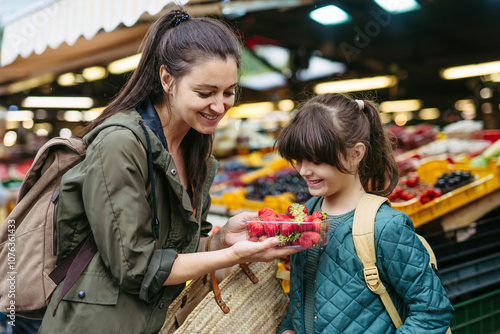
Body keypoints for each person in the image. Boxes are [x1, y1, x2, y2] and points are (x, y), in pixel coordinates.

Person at [39, 7, 298, 333]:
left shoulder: (196, 149)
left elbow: (178, 253)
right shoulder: (120, 144)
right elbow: (138, 267)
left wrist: (221, 242)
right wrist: (233, 256)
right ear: (167, 80)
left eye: (229, 92)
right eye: (205, 93)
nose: (219, 107)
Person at [274, 93, 454, 334]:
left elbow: (433, 312)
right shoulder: (305, 215)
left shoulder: (386, 226)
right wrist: (288, 328)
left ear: (356, 154)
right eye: (298, 159)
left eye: (316, 160)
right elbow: (300, 295)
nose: (304, 170)